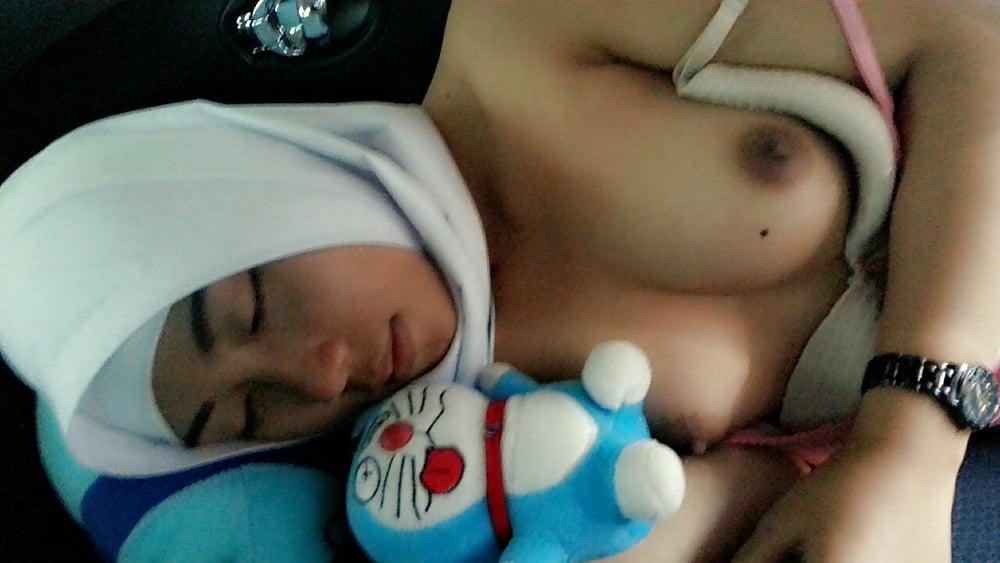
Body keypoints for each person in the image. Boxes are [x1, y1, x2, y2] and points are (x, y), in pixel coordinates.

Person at [1, 0, 998, 561]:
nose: (320, 374)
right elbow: (760, 494)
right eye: (250, 412)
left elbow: (967, 34)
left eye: (252, 304)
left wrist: (907, 448)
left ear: (260, 180)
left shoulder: (528, 30)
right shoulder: (476, 430)